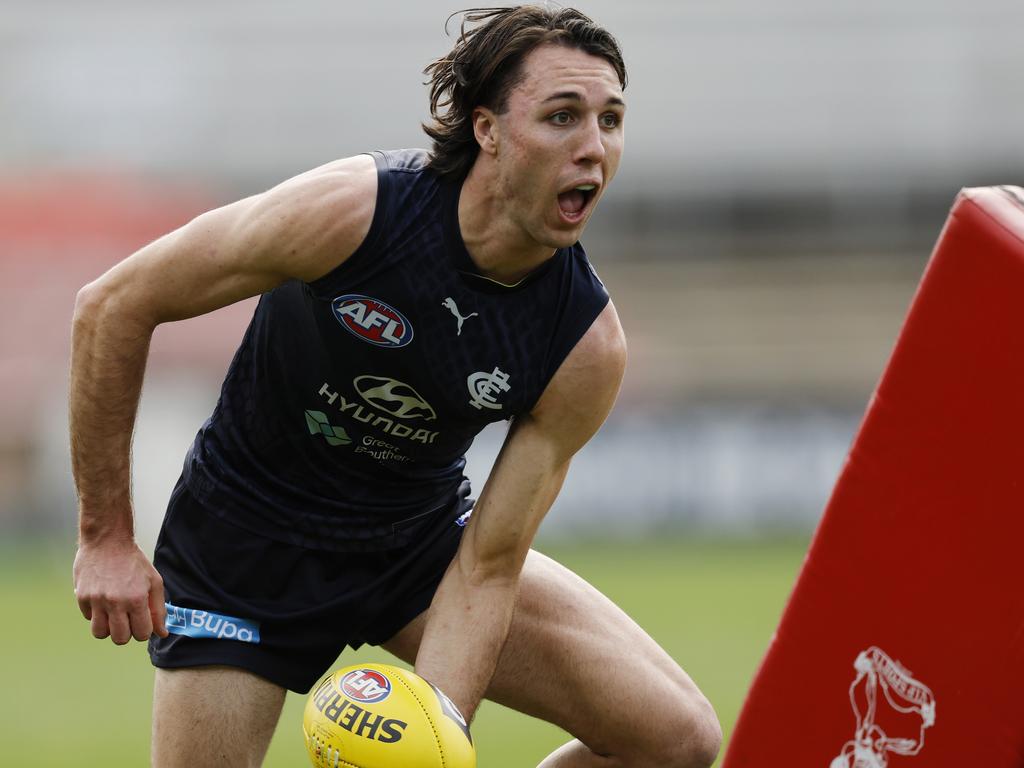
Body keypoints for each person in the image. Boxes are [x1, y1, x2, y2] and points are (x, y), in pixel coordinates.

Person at [70, 6, 721, 767]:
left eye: (610, 120)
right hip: (244, 541)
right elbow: (113, 305)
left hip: (417, 550)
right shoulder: (353, 212)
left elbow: (488, 565)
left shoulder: (584, 345)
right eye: (562, 117)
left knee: (679, 740)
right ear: (487, 130)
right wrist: (105, 535)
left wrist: (434, 730)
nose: (593, 147)